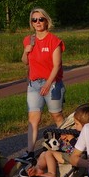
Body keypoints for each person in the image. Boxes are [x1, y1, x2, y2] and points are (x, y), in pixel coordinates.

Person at [23, 8, 65, 148]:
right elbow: (25, 61)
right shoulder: (29, 40)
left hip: (52, 84)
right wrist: (26, 51)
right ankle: (30, 152)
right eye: (34, 20)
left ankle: (67, 145)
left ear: (47, 21)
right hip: (34, 84)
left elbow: (56, 65)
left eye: (41, 19)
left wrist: (47, 84)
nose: (38, 22)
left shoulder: (54, 40)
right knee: (33, 119)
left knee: (56, 116)